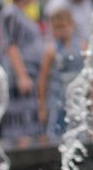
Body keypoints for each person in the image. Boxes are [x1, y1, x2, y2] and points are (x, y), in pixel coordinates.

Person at [0, 0, 44, 145]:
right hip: (21, 75)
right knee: (20, 119)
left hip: (30, 73)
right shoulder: (11, 13)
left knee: (28, 117)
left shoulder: (21, 13)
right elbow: (11, 46)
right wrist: (22, 75)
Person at [37, 8, 86, 140]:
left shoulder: (82, 47)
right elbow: (43, 79)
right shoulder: (51, 50)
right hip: (57, 101)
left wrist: (92, 103)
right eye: (56, 28)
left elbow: (88, 76)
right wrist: (42, 106)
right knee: (56, 133)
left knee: (80, 132)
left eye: (63, 27)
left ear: (71, 25)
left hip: (77, 100)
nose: (60, 32)